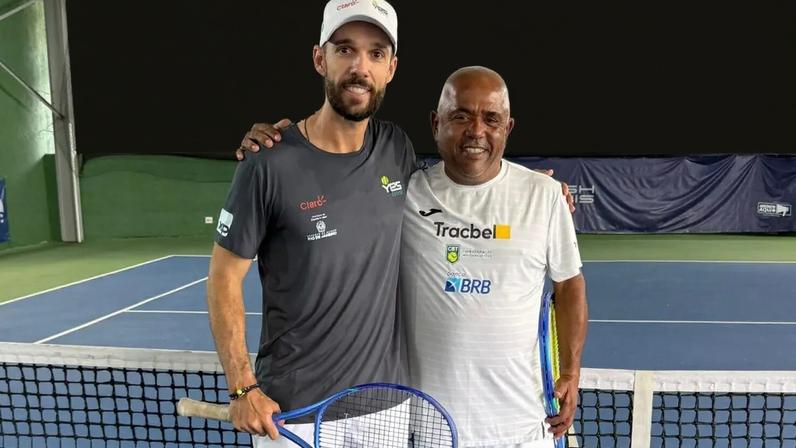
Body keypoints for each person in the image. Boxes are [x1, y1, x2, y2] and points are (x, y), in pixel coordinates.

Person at [207, 0, 413, 446]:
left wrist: (537, 190)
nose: (361, 66)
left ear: (391, 68)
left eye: (376, 54)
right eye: (345, 50)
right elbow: (223, 278)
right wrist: (243, 387)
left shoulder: (398, 149)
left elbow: (459, 186)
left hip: (387, 409)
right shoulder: (267, 163)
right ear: (320, 58)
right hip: (294, 413)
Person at [400, 66, 588, 447]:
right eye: (461, 116)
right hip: (429, 430)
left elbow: (569, 285)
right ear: (436, 123)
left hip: (522, 429)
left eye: (491, 119)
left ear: (508, 128)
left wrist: (571, 371)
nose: (476, 131)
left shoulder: (544, 196)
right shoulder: (404, 195)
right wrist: (277, 143)